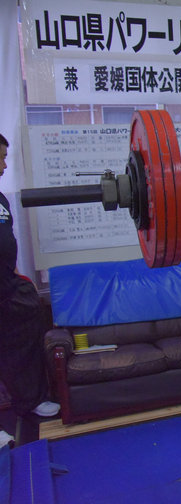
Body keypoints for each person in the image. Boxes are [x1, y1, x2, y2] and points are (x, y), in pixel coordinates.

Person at [0, 133, 60, 438]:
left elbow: (7, 242)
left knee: (22, 345)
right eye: (0, 158)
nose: (4, 166)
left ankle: (30, 401)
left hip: (8, 288)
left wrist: (19, 277)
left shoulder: (1, 200)